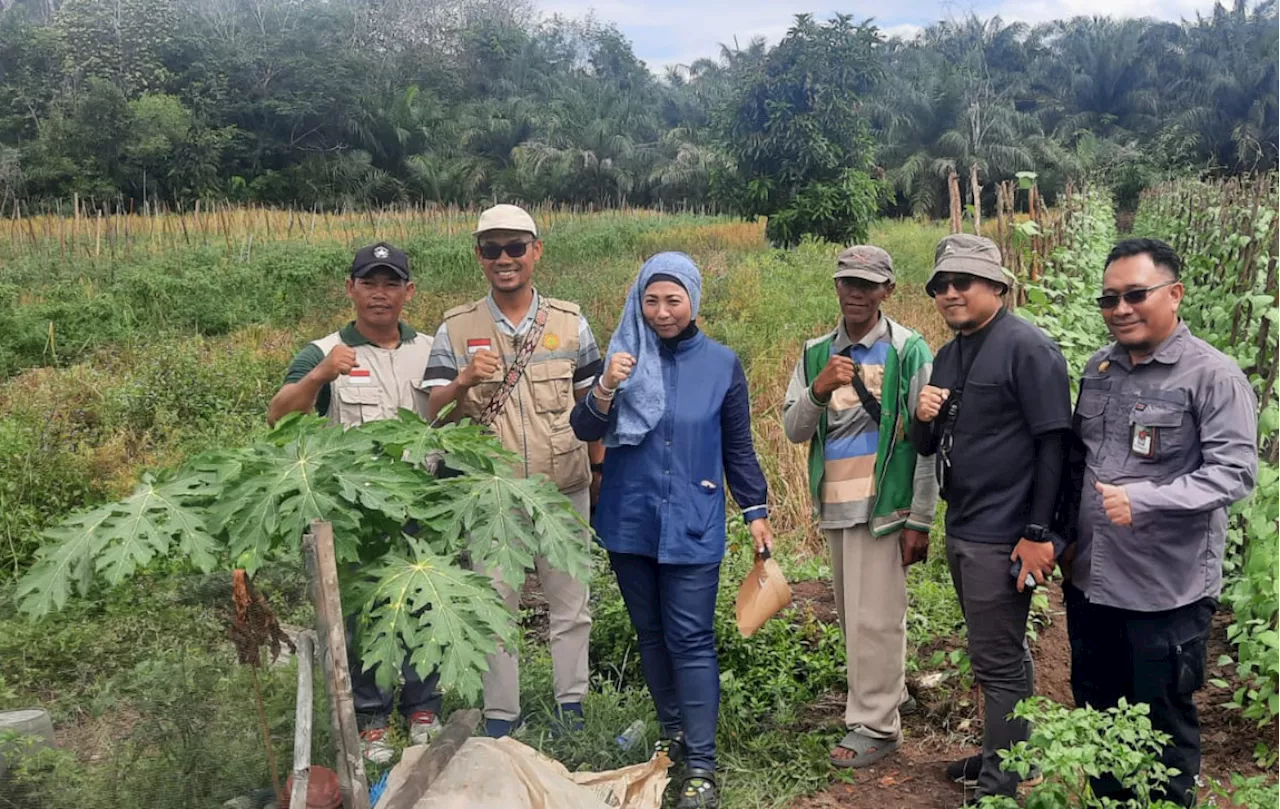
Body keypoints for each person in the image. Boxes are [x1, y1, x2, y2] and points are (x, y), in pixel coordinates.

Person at [1058, 238, 1257, 807]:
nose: (1120, 308)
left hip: (1165, 592)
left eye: (1135, 295)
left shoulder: (1212, 376)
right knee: (1097, 709)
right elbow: (1079, 461)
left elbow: (1236, 474)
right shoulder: (1099, 368)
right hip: (1092, 583)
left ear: (1174, 294)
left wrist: (1146, 499)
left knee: (1164, 724)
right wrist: (1064, 538)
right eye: (1109, 298)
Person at [570, 252, 772, 809]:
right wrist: (607, 385)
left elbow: (738, 447)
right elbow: (584, 426)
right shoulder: (622, 357)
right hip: (629, 518)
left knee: (690, 638)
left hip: (692, 518)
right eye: (651, 300)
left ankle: (702, 767)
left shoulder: (722, 364)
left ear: (693, 300)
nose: (661, 312)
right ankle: (673, 734)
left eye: (673, 300)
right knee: (652, 634)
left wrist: (756, 512)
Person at [423, 204, 603, 738]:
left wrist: (600, 475)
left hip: (563, 489)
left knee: (571, 604)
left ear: (536, 251)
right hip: (490, 497)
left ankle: (573, 710)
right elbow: (433, 413)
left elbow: (592, 406)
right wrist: (460, 383)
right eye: (491, 249)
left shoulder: (571, 323)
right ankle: (501, 717)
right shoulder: (456, 328)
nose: (504, 259)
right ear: (478, 257)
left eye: (514, 247)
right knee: (494, 605)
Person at [910, 234, 1071, 802]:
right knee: (1001, 651)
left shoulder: (1028, 348)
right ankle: (1009, 751)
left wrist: (1036, 533)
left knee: (998, 661)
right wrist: (922, 415)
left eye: (963, 283)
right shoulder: (950, 352)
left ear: (998, 286)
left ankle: (1000, 784)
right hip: (965, 522)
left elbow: (1055, 446)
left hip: (1002, 531)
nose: (950, 294)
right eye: (941, 286)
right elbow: (928, 446)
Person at [267, 242, 440, 764]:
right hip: (356, 516)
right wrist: (320, 376)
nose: (380, 294)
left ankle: (423, 710)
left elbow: (450, 415)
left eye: (391, 284)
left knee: (424, 602)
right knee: (368, 613)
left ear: (409, 292)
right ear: (351, 289)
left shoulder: (432, 349)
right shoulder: (320, 352)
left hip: (423, 505)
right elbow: (279, 419)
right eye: (369, 283)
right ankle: (371, 720)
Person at [782, 245, 939, 768]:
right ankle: (883, 697)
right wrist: (820, 390)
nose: (856, 292)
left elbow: (926, 440)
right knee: (857, 616)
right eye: (848, 282)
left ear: (887, 292)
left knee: (878, 618)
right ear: (836, 286)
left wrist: (920, 517)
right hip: (836, 503)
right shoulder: (814, 354)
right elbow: (793, 429)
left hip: (884, 506)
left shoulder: (909, 350)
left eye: (868, 285)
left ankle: (876, 725)